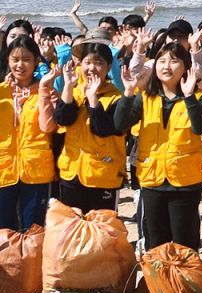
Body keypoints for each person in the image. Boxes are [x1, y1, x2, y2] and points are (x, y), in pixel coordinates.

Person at [116, 43, 202, 250]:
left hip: (185, 181)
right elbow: (119, 125)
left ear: (186, 68)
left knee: (185, 242)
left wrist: (189, 96)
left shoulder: (198, 98)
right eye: (162, 61)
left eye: (174, 61)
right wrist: (129, 92)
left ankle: (185, 282)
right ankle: (159, 283)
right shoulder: (145, 98)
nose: (167, 66)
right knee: (156, 242)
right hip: (152, 178)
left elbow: (200, 127)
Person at [53, 40, 128, 211]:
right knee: (74, 226)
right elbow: (63, 119)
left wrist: (93, 99)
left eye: (98, 63)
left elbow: (103, 129)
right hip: (72, 171)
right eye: (87, 62)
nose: (91, 68)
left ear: (109, 67)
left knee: (102, 230)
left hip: (103, 174)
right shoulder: (75, 91)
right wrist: (69, 87)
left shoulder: (117, 97)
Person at [0, 35, 57, 229]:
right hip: (3, 169)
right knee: (4, 231)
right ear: (7, 61)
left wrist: (42, 91)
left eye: (26, 59)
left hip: (36, 170)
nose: (20, 65)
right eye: (15, 60)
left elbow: (48, 127)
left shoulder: (46, 91)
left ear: (36, 61)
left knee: (33, 230)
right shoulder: (1, 92)